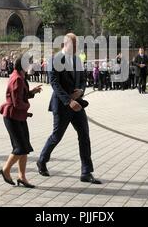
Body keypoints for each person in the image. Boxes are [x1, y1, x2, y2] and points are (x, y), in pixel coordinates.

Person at [37, 33, 102, 184]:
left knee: (84, 135)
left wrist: (81, 91)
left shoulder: (78, 60)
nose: (76, 48)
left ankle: (86, 172)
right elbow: (54, 83)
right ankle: (42, 160)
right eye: (73, 45)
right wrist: (68, 101)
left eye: (77, 45)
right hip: (62, 105)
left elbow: (84, 80)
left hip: (77, 104)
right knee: (56, 136)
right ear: (65, 44)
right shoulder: (55, 59)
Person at [0, 55, 43, 188]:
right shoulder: (17, 79)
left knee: (24, 148)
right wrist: (27, 106)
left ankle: (22, 177)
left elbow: (21, 95)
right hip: (13, 117)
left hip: (19, 117)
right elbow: (17, 102)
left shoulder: (20, 76)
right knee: (20, 148)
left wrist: (31, 92)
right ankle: (6, 169)